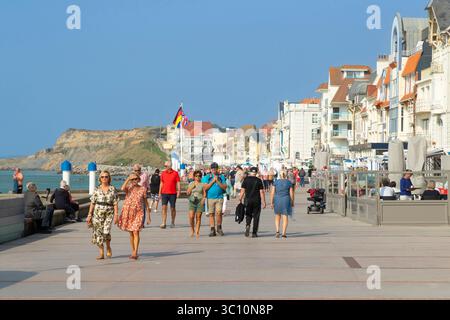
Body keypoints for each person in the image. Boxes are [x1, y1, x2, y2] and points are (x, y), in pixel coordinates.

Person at [87, 171, 119, 260]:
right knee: (98, 233)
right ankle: (101, 252)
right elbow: (92, 202)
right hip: (97, 213)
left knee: (106, 231)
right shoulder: (96, 189)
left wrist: (116, 215)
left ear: (109, 178)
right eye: (102, 177)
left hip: (109, 212)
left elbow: (115, 203)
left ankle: (108, 246)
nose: (104, 178)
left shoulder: (112, 189)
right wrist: (89, 215)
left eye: (106, 177)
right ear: (100, 179)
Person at [118, 173, 150, 260]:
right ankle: (133, 250)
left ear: (139, 179)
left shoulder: (143, 189)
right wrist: (128, 178)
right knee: (131, 233)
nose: (134, 181)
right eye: (133, 179)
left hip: (138, 213)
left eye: (136, 179)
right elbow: (122, 188)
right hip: (128, 213)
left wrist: (148, 215)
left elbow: (146, 202)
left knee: (136, 231)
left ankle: (135, 251)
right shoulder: (129, 188)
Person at [202, 162, 227, 237]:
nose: (214, 170)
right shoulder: (207, 177)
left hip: (219, 197)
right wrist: (213, 181)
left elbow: (224, 187)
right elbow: (205, 188)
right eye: (212, 168)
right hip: (210, 198)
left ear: (217, 169)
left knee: (219, 213)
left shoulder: (221, 177)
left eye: (215, 168)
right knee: (211, 214)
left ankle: (219, 227)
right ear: (210, 169)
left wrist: (217, 181)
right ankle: (212, 229)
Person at [240, 167, 266, 238]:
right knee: (256, 216)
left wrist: (240, 199)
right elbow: (261, 192)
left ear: (250, 172)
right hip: (256, 200)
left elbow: (242, 190)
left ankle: (248, 225)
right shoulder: (259, 180)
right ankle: (254, 233)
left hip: (248, 200)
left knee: (248, 214)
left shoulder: (246, 180)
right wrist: (264, 202)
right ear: (256, 173)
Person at [270, 170, 294, 238]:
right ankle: (284, 233)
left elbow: (272, 193)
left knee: (277, 216)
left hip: (277, 199)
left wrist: (271, 202)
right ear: (286, 175)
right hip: (286, 199)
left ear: (279, 175)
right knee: (285, 216)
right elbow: (291, 193)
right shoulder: (289, 182)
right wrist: (292, 202)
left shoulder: (276, 182)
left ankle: (277, 231)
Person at [159, 161, 181, 229]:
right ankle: (163, 223)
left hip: (173, 193)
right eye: (165, 166)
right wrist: (159, 192)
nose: (165, 167)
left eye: (166, 166)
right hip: (164, 193)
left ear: (169, 166)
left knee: (172, 208)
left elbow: (178, 182)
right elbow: (161, 183)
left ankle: (172, 222)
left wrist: (179, 191)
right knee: (164, 208)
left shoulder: (175, 173)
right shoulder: (163, 173)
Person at [186, 170, 206, 238]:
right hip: (192, 201)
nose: (198, 177)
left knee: (198, 217)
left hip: (200, 201)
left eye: (199, 176)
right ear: (194, 176)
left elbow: (204, 193)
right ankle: (192, 230)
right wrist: (192, 187)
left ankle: (197, 231)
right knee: (191, 217)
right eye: (196, 176)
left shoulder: (203, 184)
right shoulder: (191, 183)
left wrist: (203, 199)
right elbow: (187, 193)